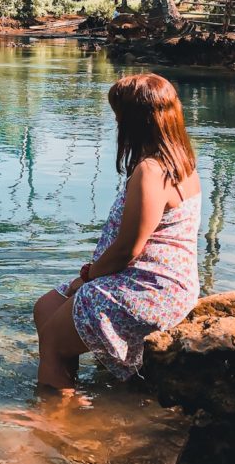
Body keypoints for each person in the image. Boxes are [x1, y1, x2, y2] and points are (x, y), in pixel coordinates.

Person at [33, 73, 201, 391]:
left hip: (149, 291)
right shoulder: (182, 162)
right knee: (46, 306)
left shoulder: (151, 172)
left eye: (118, 116)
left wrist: (89, 276)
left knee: (54, 343)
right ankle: (70, 393)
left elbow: (128, 249)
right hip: (155, 282)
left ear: (135, 122)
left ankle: (54, 421)